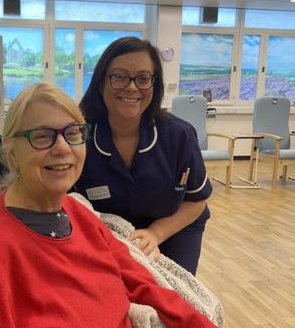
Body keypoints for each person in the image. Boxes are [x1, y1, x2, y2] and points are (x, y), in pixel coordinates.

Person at [0, 82, 215, 327]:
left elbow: (140, 281)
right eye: (41, 136)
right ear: (12, 153)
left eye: (73, 133)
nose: (63, 148)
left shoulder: (76, 213)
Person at [75, 36, 212, 275]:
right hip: (108, 233)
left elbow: (197, 200)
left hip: (173, 229)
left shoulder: (179, 135)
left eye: (143, 78)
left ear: (153, 84)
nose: (131, 87)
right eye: (119, 76)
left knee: (173, 296)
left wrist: (156, 233)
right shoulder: (80, 138)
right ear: (100, 83)